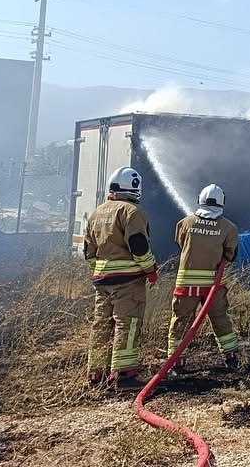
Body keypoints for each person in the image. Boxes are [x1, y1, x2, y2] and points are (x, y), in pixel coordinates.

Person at [84, 166, 158, 390]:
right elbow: (138, 245)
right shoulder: (132, 212)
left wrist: (102, 270)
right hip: (127, 281)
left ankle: (96, 373)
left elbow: (88, 251)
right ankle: (124, 375)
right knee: (127, 323)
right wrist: (150, 269)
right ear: (135, 188)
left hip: (102, 281)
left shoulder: (97, 212)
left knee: (101, 325)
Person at [169, 183, 241, 372]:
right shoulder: (229, 228)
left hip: (186, 285)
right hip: (212, 286)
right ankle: (231, 357)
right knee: (220, 319)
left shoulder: (185, 223)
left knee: (180, 321)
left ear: (199, 200)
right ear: (222, 203)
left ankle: (176, 362)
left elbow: (180, 243)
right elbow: (231, 255)